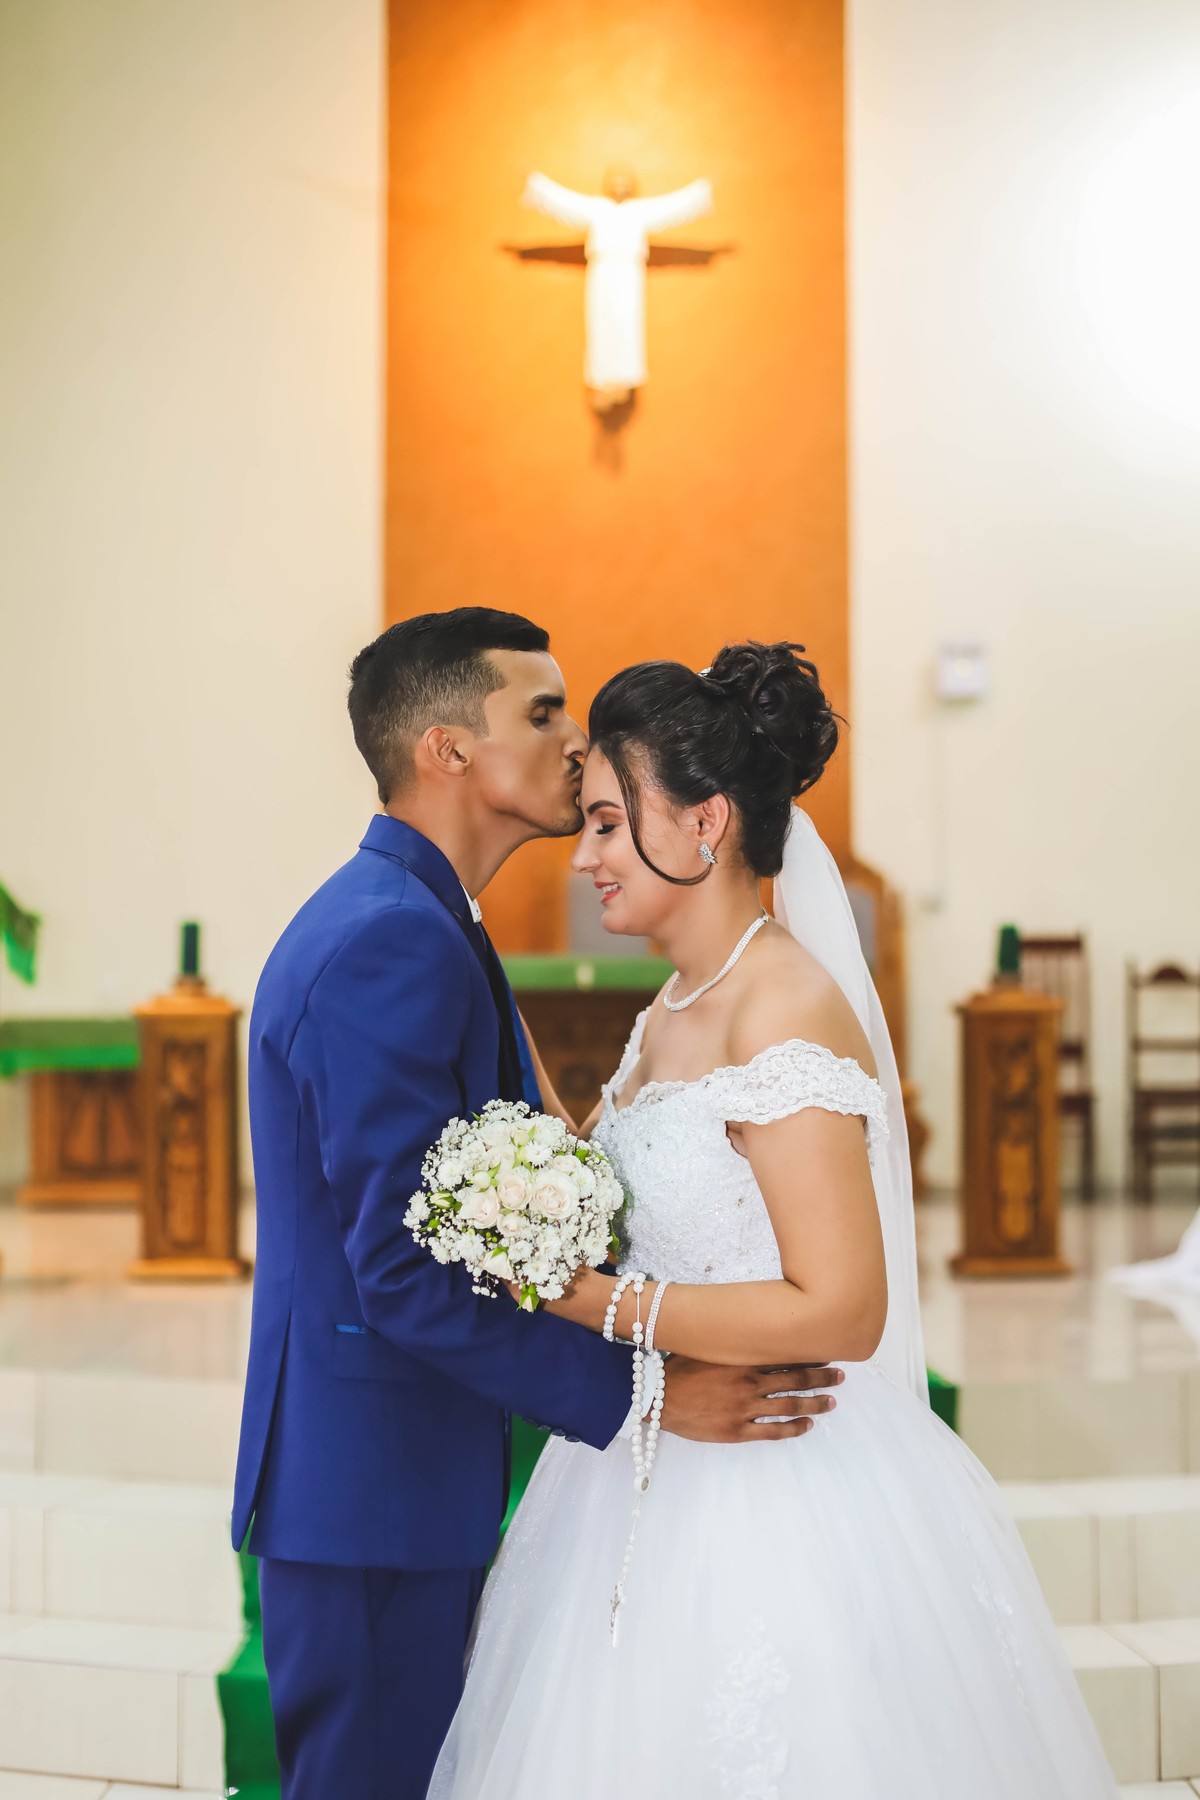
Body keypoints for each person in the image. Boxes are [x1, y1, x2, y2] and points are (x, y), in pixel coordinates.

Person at [429, 641, 1118, 1799]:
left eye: (609, 824)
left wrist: (599, 1304)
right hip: (654, 1453)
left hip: (776, 1471)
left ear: (705, 825)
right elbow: (609, 1182)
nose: (586, 857)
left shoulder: (785, 1007)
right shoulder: (675, 1003)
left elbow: (843, 1307)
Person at [231, 610, 841, 1800]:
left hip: (398, 1474)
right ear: (448, 749)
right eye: (543, 711)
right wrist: (645, 1396)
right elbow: (399, 1269)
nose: (575, 742)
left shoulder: (422, 920)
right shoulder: (392, 939)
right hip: (374, 1488)